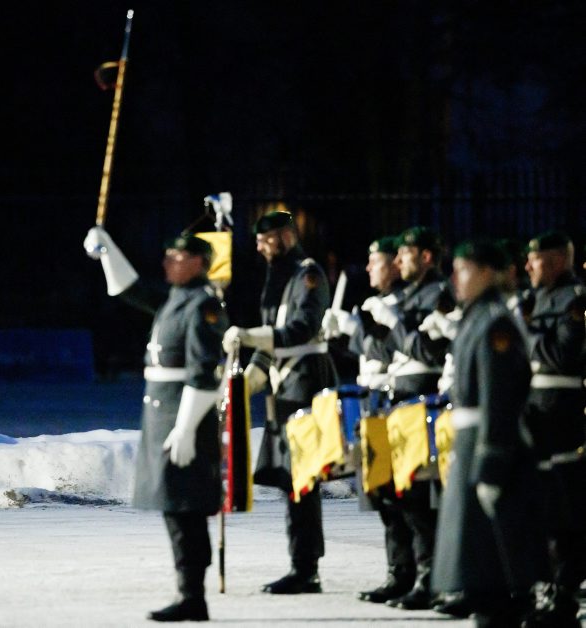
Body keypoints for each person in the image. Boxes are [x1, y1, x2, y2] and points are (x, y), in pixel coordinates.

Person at [84, 225, 227, 622]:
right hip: (165, 416)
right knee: (175, 508)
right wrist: (108, 251)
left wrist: (186, 428)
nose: (166, 263)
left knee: (185, 508)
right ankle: (189, 594)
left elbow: (204, 373)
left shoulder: (203, 305)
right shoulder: (176, 299)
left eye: (175, 258)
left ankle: (192, 596)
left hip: (183, 417)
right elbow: (130, 290)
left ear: (197, 262)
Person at [431, 239, 548, 628]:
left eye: (464, 270)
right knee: (480, 581)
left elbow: (500, 401)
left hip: (489, 452)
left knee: (493, 581)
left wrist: (492, 467)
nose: (456, 279)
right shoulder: (477, 317)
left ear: (487, 273)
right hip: (470, 449)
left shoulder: (495, 322)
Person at [222, 210, 337, 594]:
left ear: (286, 236)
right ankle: (300, 564)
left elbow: (301, 329)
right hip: (283, 388)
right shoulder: (279, 279)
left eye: (265, 239)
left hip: (305, 385)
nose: (259, 246)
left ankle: (306, 568)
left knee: (302, 480)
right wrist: (246, 382)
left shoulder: (308, 275)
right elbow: (270, 343)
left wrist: (249, 336)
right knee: (291, 482)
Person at [360, 226, 451, 610]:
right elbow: (385, 350)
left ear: (426, 256)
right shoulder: (411, 295)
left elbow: (428, 352)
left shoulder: (440, 294)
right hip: (395, 398)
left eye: (406, 254)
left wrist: (395, 323)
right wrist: (365, 330)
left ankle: (429, 578)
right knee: (389, 492)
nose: (398, 261)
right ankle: (401, 572)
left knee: (417, 497)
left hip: (422, 399)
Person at [323, 236, 418, 605]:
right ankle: (398, 572)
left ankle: (417, 574)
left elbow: (391, 349)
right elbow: (365, 355)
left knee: (404, 497)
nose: (368, 269)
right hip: (374, 401)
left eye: (375, 261)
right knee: (382, 495)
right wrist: (339, 334)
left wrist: (355, 329)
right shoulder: (375, 304)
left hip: (398, 403)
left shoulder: (406, 303)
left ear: (394, 264)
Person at [519, 231, 586, 628]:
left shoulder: (576, 299)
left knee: (566, 511)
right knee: (540, 510)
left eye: (537, 258)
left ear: (559, 259)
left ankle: (564, 597)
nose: (528, 265)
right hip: (536, 416)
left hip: (563, 417)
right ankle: (545, 590)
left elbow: (563, 355)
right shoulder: (535, 298)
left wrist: (523, 334)